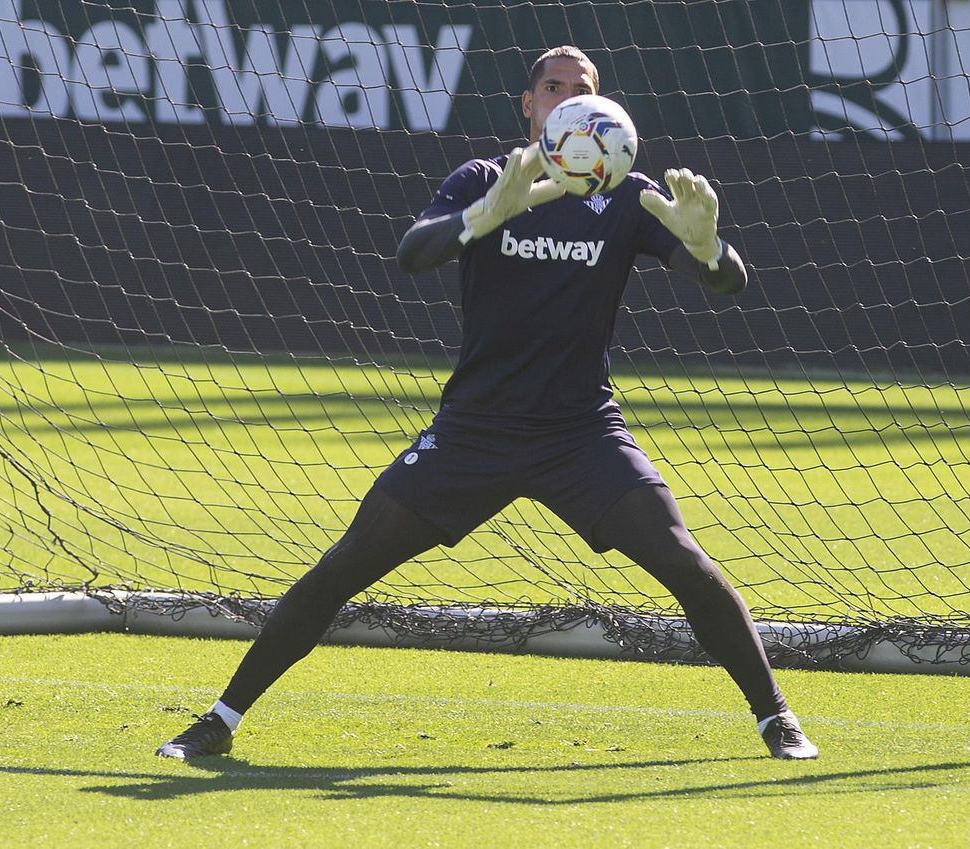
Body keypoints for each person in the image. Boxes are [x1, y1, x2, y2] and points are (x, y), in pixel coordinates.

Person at [157, 45, 818, 762]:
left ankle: (777, 719)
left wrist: (710, 246)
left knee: (685, 562)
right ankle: (218, 720)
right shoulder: (485, 180)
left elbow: (727, 282)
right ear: (530, 106)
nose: (568, 99)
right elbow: (414, 254)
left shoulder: (631, 194)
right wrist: (484, 214)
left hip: (580, 435)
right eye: (553, 88)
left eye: (582, 88)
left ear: (602, 106)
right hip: (474, 433)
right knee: (345, 564)